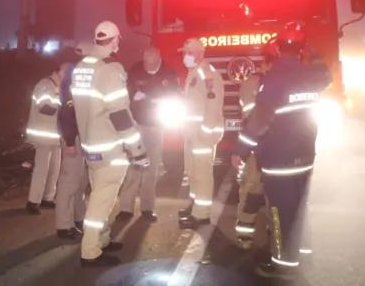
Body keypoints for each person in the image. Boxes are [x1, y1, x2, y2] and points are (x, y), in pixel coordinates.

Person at [231, 22, 331, 280]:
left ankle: (282, 264)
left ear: (276, 48)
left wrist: (240, 149)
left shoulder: (273, 79)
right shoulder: (312, 76)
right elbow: (327, 74)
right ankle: (302, 251)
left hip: (279, 161)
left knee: (278, 211)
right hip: (305, 158)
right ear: (301, 49)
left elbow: (259, 122)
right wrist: (314, 51)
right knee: (299, 208)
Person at [63, 21, 149, 267]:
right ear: (114, 41)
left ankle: (103, 238)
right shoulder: (111, 69)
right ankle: (90, 252)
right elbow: (120, 114)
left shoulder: (82, 66)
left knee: (100, 196)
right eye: (117, 40)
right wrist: (137, 149)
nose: (118, 43)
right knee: (102, 200)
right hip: (110, 147)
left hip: (90, 144)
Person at [117, 46, 179, 222]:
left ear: (159, 57)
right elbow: (125, 89)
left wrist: (155, 98)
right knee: (133, 165)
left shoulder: (169, 73)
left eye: (152, 60)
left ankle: (147, 208)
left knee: (152, 167)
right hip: (136, 123)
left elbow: (175, 94)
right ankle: (126, 208)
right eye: (146, 59)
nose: (148, 63)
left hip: (156, 124)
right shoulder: (135, 70)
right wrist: (132, 95)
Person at [177, 38, 225, 230]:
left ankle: (202, 215)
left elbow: (213, 107)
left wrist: (206, 133)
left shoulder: (208, 75)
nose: (185, 56)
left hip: (202, 135)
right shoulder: (194, 73)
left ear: (200, 54)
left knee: (203, 174)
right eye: (184, 52)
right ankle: (195, 206)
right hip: (192, 134)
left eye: (189, 52)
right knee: (193, 172)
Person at [235, 38, 277, 249]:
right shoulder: (253, 83)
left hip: (276, 148)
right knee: (252, 189)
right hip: (258, 147)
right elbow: (252, 118)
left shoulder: (280, 83)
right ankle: (245, 234)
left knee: (275, 194)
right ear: (265, 63)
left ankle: (274, 234)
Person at [54, 41, 93, 240]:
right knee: (69, 181)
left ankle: (78, 218)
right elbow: (67, 113)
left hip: (81, 135)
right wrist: (69, 142)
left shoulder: (81, 76)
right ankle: (64, 226)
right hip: (73, 136)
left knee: (79, 180)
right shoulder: (75, 78)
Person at [25, 65, 67, 215]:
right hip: (43, 136)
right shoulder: (45, 84)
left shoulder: (59, 86)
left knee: (54, 168)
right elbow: (45, 108)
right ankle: (33, 201)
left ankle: (48, 197)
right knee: (41, 169)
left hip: (55, 137)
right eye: (66, 70)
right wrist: (65, 105)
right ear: (58, 69)